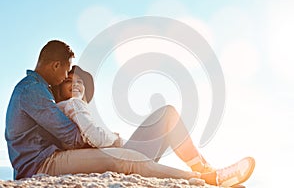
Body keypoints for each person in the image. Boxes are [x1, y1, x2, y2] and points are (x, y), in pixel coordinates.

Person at [5, 40, 255, 187]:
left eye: (78, 82)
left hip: (76, 153)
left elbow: (81, 136)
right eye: (68, 75)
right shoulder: (34, 92)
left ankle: (205, 166)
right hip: (41, 165)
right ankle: (205, 179)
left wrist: (104, 136)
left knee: (166, 115)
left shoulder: (51, 96)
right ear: (56, 66)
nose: (69, 80)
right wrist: (106, 139)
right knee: (121, 158)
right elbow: (72, 138)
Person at [51, 64, 255, 187]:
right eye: (70, 81)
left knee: (168, 115)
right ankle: (207, 174)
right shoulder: (69, 106)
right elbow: (94, 138)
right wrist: (116, 139)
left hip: (115, 157)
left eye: (80, 82)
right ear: (60, 87)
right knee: (167, 116)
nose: (76, 85)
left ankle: (207, 170)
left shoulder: (77, 108)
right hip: (115, 160)